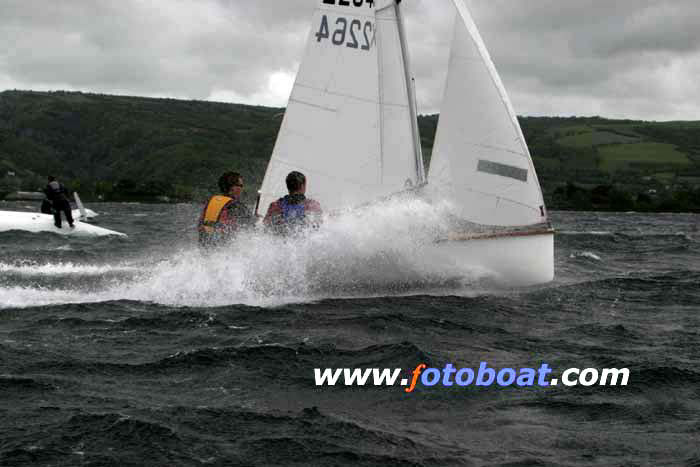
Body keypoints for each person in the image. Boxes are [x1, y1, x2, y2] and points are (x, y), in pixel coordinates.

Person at [198, 171, 253, 247]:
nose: (242, 188)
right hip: (224, 247)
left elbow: (202, 224)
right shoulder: (236, 205)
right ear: (233, 187)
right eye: (240, 185)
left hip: (205, 246)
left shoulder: (211, 201)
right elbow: (251, 226)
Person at [263, 171, 322, 235]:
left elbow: (266, 226)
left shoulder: (275, 205)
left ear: (288, 186)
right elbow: (319, 228)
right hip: (302, 241)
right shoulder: (312, 205)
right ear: (302, 186)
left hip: (282, 241)